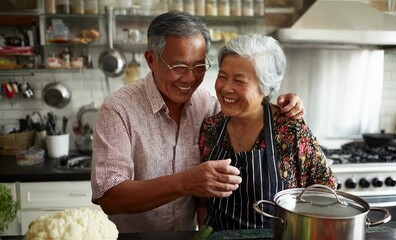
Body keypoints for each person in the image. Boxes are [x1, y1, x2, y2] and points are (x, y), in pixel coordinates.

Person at [91, 11, 305, 233]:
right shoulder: (118, 109)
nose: (190, 78)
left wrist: (281, 102)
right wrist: (185, 182)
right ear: (151, 60)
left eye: (199, 67)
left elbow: (248, 108)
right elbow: (109, 197)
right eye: (179, 67)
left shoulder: (207, 106)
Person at [197, 34, 337, 230]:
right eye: (222, 76)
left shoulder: (289, 129)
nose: (226, 88)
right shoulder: (211, 128)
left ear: (267, 87)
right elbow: (203, 201)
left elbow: (325, 189)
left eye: (239, 81)